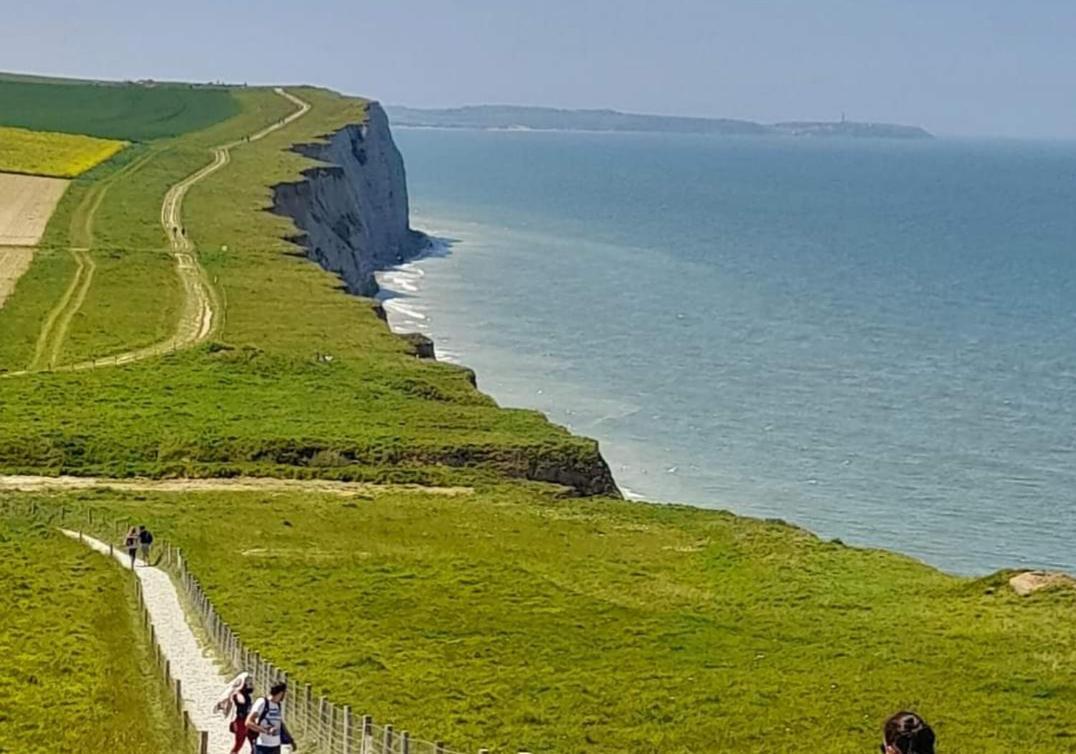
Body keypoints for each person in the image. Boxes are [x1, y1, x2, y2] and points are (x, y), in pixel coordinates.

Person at [246, 681, 295, 754]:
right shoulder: (262, 702)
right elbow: (248, 722)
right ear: (281, 693)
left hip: (276, 746)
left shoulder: (278, 705)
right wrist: (266, 731)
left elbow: (280, 724)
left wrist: (290, 740)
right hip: (262, 746)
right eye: (285, 693)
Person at [214, 672, 257, 754]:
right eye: (248, 682)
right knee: (239, 744)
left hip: (248, 720)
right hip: (240, 721)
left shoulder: (247, 695)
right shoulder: (237, 694)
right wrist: (237, 691)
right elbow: (242, 701)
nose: (250, 684)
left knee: (254, 741)